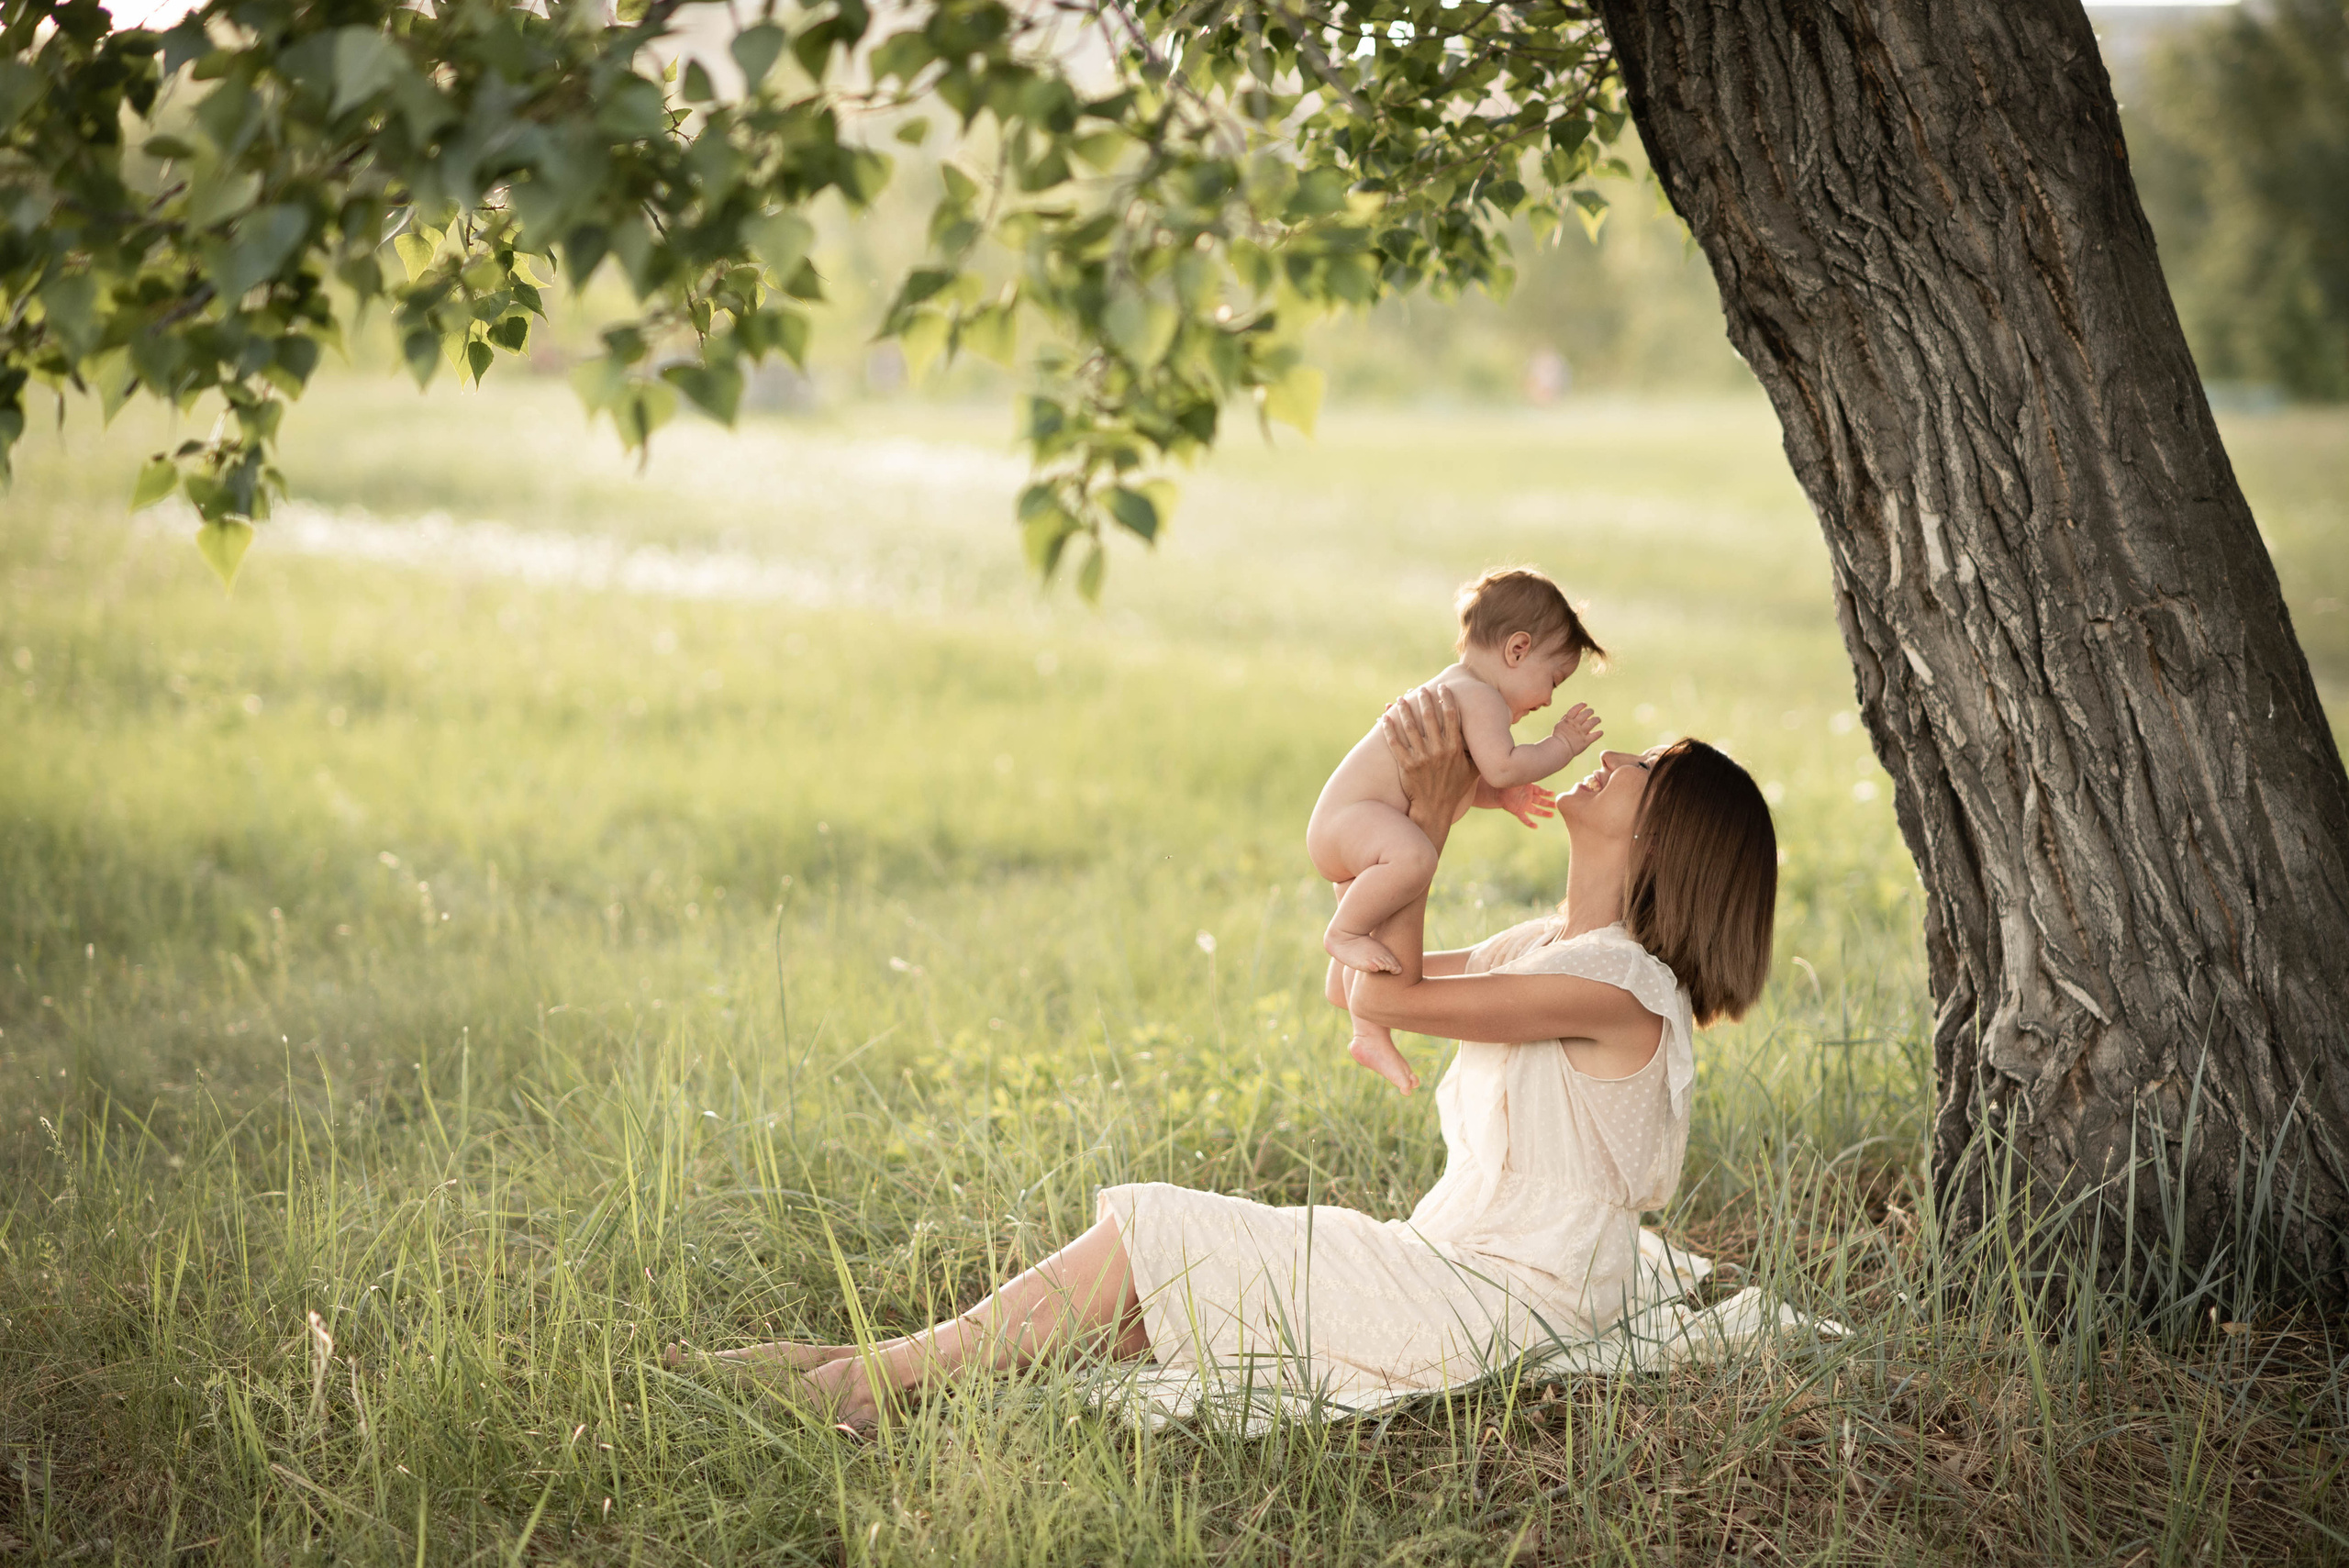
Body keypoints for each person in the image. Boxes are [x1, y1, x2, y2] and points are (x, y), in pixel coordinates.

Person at [680, 684, 1776, 1429]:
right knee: (1146, 1297)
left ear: (1675, 833)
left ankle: (866, 1379)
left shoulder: (1620, 986)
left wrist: (1430, 822)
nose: (1613, 756)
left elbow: (1388, 989)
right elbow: (1353, 976)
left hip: (1507, 1299)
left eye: (1645, 767)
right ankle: (880, 1367)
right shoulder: (1542, 947)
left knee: (1164, 1230)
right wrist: (1407, 829)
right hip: (1450, 1259)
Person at [1306, 568, 1607, 1095]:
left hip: (1355, 826)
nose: (1549, 700)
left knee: (1400, 875)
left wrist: (1499, 797)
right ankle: (1342, 935)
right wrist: (1562, 744)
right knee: (1416, 859)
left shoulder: (1458, 686)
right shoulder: (1481, 697)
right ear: (1516, 650)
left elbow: (1471, 776)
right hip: (1354, 823)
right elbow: (1504, 765)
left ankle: (1366, 1030)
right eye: (1553, 680)